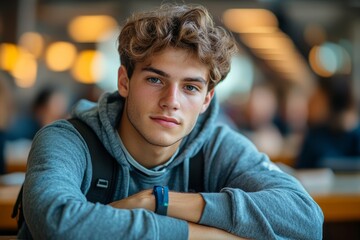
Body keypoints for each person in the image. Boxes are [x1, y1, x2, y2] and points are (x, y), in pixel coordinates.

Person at [19, 4, 323, 239]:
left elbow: (306, 219)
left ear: (206, 99)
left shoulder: (215, 145)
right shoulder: (67, 141)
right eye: (154, 79)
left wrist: (158, 201)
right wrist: (201, 235)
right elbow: (58, 225)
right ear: (124, 82)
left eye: (190, 87)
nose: (171, 100)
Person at [296, 74, 360, 169]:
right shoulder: (315, 135)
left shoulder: (356, 134)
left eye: (316, 96)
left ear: (329, 100)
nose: (310, 101)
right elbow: (300, 171)